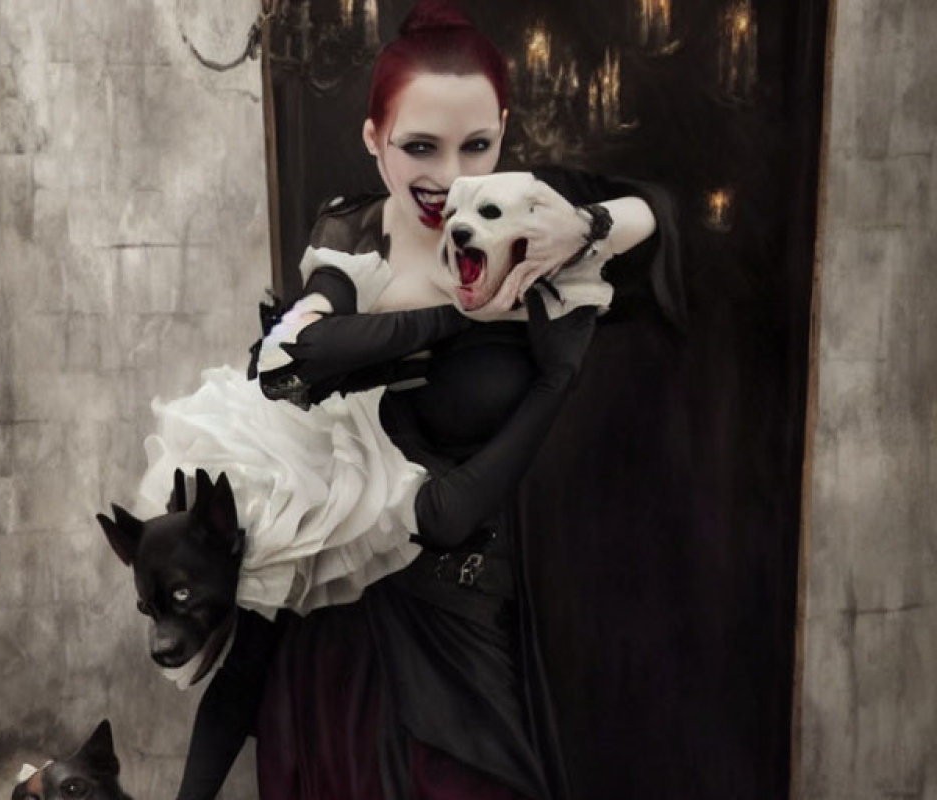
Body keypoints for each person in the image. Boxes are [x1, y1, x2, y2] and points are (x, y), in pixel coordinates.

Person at [158, 2, 683, 798]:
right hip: (333, 625)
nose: (449, 176)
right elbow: (292, 362)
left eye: (478, 143)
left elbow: (653, 210)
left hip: (465, 611)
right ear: (374, 141)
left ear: (505, 129)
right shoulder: (349, 239)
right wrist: (452, 318)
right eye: (419, 147)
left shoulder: (529, 221)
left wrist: (584, 226)